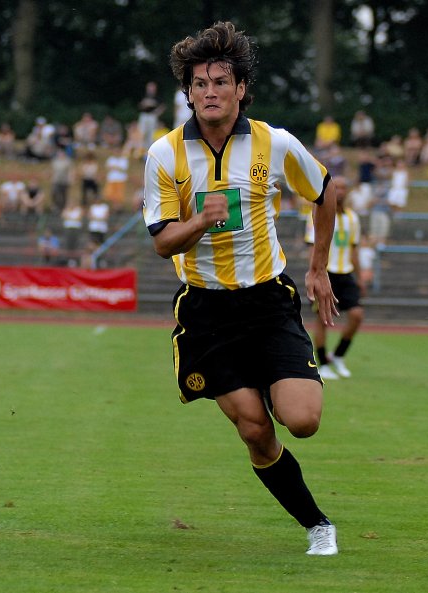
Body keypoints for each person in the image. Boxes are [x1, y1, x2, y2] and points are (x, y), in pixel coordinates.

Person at [143, 22, 339, 555]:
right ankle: (317, 525)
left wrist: (319, 267)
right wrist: (199, 221)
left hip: (267, 301)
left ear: (241, 88)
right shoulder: (164, 154)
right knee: (254, 430)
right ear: (188, 93)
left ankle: (276, 382)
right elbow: (162, 242)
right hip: (206, 312)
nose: (210, 91)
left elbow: (324, 191)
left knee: (303, 420)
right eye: (199, 83)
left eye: (220, 82)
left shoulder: (275, 143)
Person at [305, 176, 365, 380]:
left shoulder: (353, 218)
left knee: (357, 315)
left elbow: (354, 250)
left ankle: (338, 355)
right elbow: (312, 247)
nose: (340, 191)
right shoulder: (316, 213)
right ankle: (323, 364)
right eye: (336, 187)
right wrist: (314, 272)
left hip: (346, 273)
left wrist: (360, 277)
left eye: (343, 188)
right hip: (325, 272)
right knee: (323, 320)